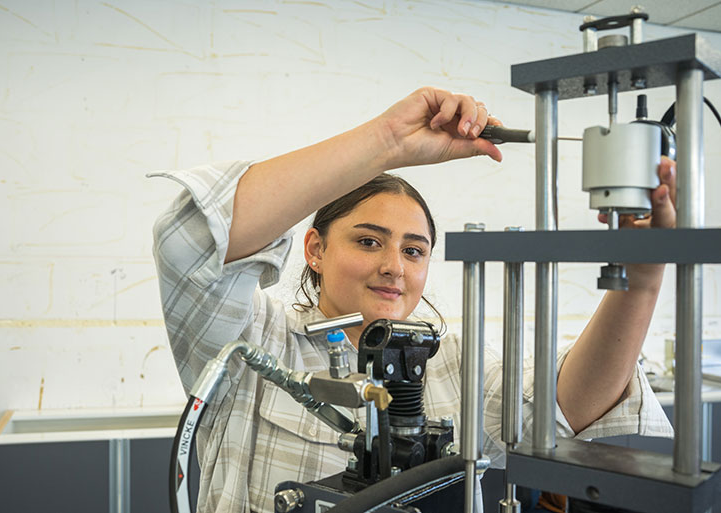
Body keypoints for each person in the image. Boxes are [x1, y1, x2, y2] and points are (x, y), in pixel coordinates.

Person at [151, 87, 674, 513]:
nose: (394, 267)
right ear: (315, 249)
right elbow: (195, 238)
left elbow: (567, 411)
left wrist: (643, 278)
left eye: (414, 250)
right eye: (368, 241)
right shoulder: (252, 344)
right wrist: (385, 142)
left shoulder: (453, 363)